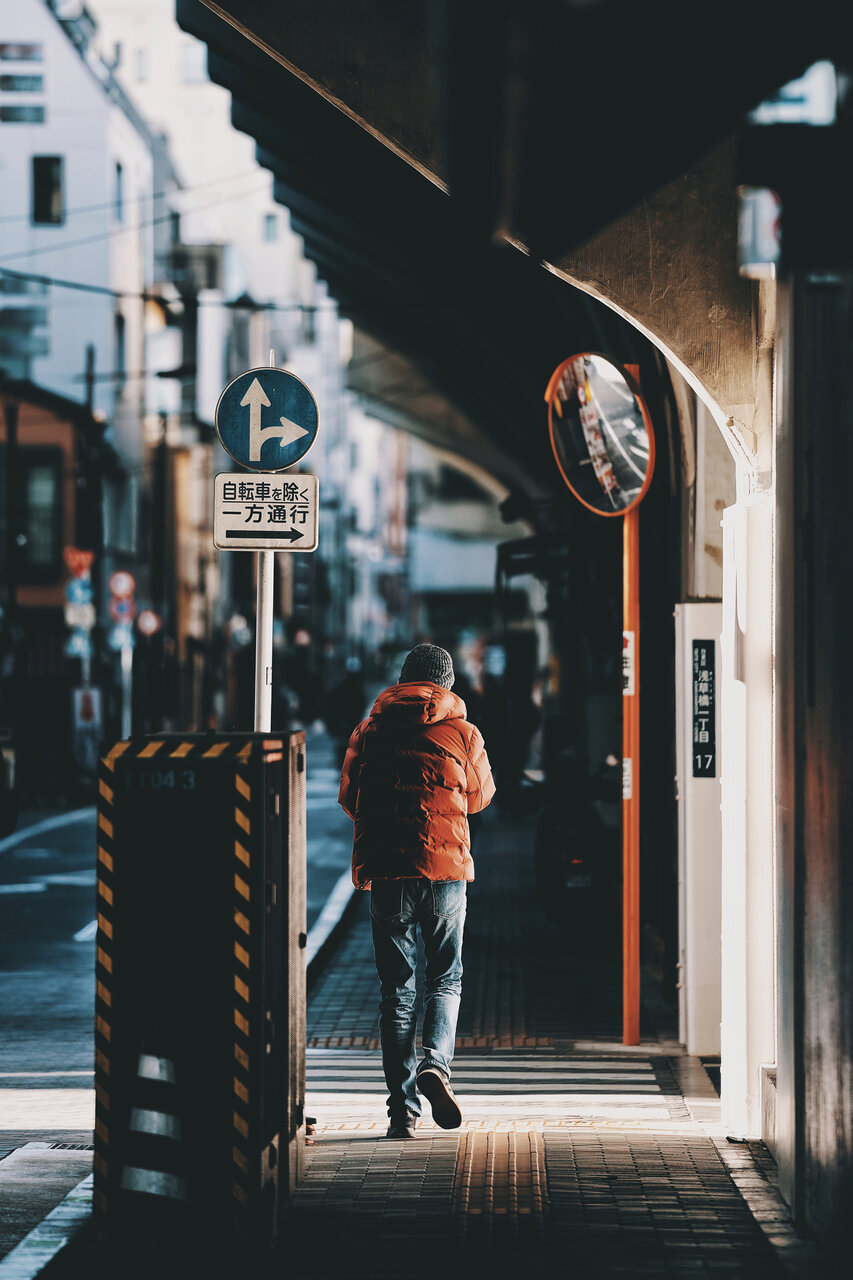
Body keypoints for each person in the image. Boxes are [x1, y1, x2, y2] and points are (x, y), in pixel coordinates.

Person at [338, 643, 495, 1138]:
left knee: (396, 992)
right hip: (445, 873)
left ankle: (401, 1113)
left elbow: (350, 799)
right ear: (447, 684)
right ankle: (436, 1066)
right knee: (445, 978)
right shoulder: (464, 733)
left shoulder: (368, 731)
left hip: (388, 874)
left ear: (403, 680)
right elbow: (481, 798)